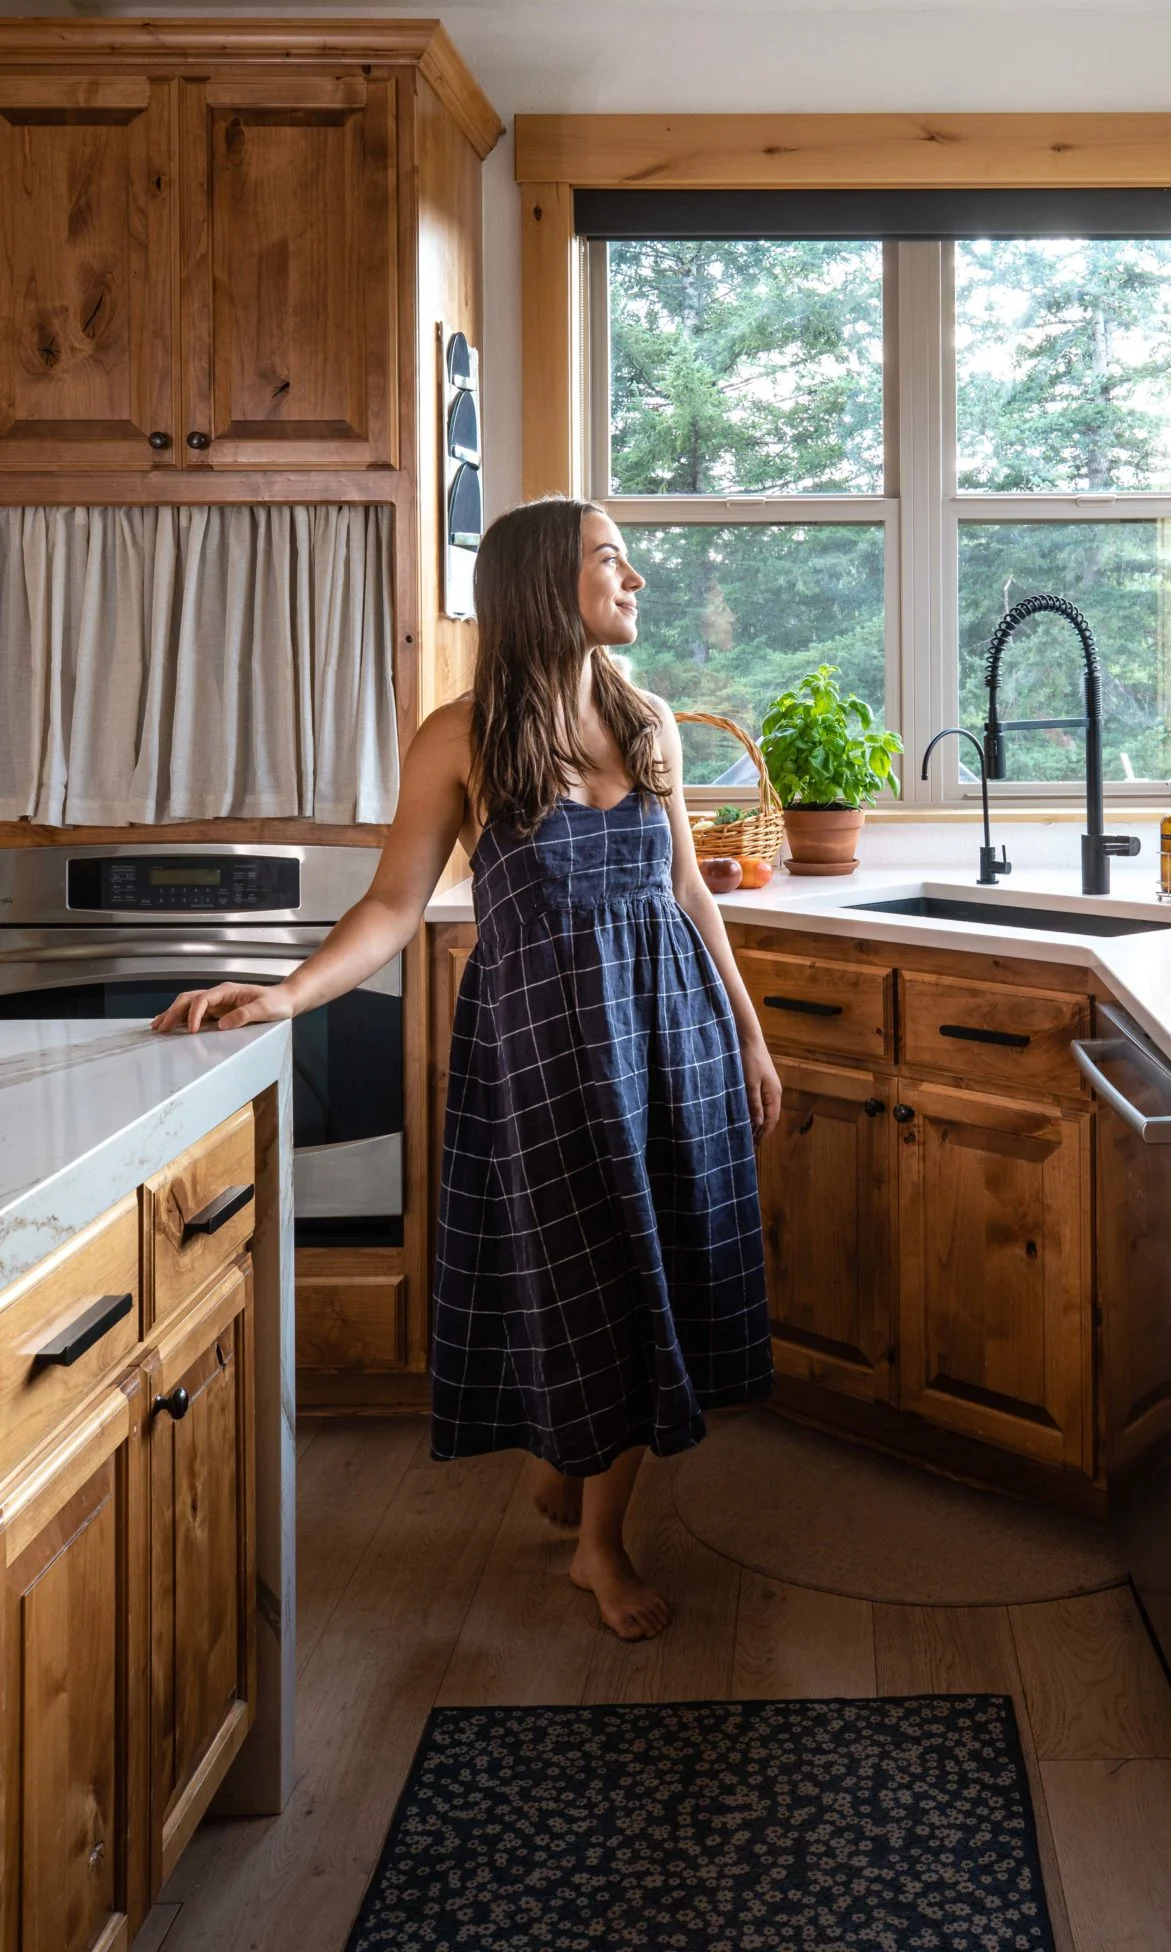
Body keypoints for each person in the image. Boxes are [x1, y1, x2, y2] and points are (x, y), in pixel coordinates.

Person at [154, 496, 781, 1641]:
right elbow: (395, 905)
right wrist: (287, 992)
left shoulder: (649, 725)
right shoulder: (464, 735)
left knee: (652, 1272)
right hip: (541, 1049)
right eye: (608, 558)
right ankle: (589, 1519)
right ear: (547, 580)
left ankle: (585, 1505)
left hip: (666, 1033)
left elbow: (689, 890)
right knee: (583, 1273)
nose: (634, 576)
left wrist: (745, 1030)